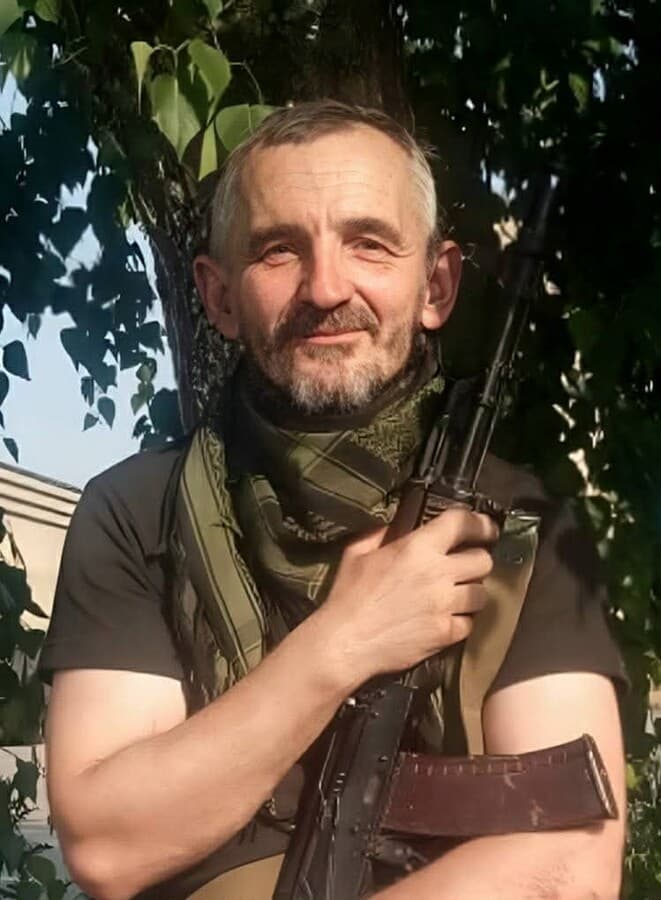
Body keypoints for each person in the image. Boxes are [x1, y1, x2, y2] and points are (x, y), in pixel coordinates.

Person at [39, 101, 627, 900]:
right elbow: (110, 847)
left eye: (368, 243)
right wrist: (344, 641)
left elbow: (566, 865)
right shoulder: (137, 511)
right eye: (278, 250)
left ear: (436, 285)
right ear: (217, 296)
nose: (324, 287)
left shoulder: (524, 529)